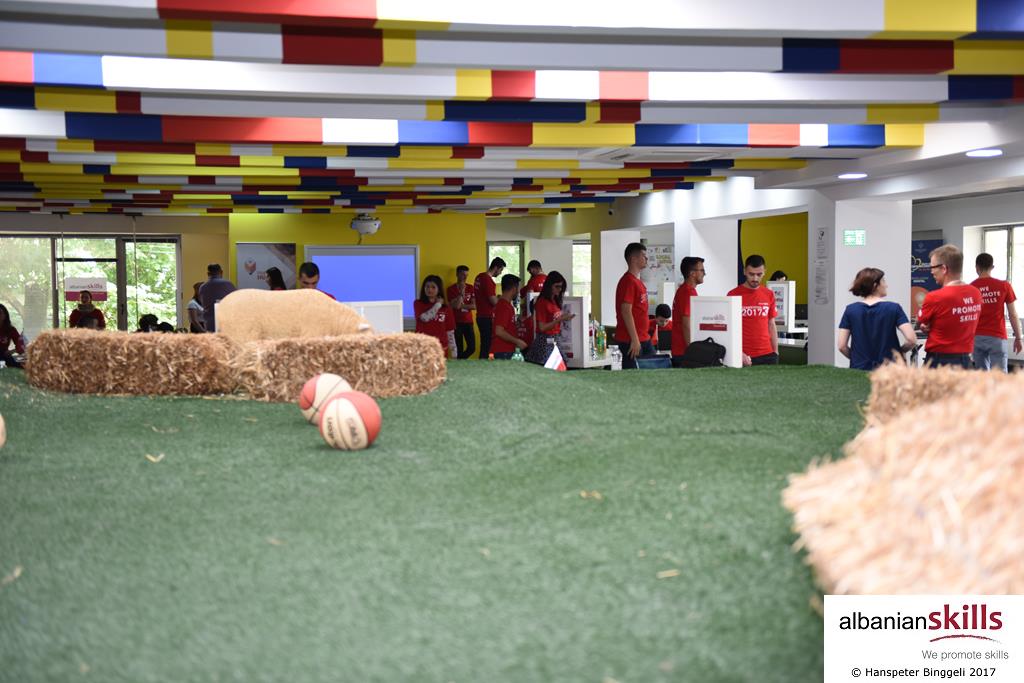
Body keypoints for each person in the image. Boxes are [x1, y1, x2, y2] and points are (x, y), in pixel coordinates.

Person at [837, 268, 917, 370]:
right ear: (875, 285)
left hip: (859, 369)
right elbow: (911, 339)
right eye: (883, 281)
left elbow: (842, 346)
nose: (886, 285)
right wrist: (899, 353)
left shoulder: (850, 310)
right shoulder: (894, 308)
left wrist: (856, 359)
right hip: (890, 369)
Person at [918, 245, 982, 369]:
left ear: (943, 269)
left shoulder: (935, 297)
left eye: (932, 267)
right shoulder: (976, 293)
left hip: (940, 362)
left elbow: (922, 322)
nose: (931, 271)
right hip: (966, 361)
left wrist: (925, 326)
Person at [970, 252, 1022, 372]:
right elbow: (1013, 314)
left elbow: (968, 315)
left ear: (976, 267)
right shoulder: (1004, 286)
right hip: (997, 337)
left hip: (977, 337)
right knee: (1000, 377)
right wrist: (1018, 338)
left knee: (982, 376)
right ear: (992, 267)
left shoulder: (971, 288)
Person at [727, 255, 779, 366]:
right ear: (744, 271)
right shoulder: (733, 295)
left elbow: (771, 324)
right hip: (743, 356)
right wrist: (737, 352)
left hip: (768, 354)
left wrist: (776, 351)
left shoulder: (769, 294)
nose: (755, 278)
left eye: (759, 274)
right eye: (751, 274)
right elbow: (728, 328)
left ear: (764, 272)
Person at [614, 242, 652, 369]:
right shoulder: (628, 281)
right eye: (643, 256)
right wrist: (635, 339)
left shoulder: (637, 282)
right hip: (631, 340)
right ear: (634, 259)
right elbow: (626, 311)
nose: (646, 258)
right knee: (633, 376)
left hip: (644, 338)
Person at [671, 256, 704, 365]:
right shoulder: (688, 292)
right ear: (692, 273)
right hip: (684, 351)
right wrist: (692, 350)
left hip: (680, 350)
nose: (704, 274)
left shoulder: (683, 290)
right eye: (701, 270)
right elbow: (686, 324)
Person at [414, 275, 457, 358]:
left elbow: (450, 331)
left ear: (439, 289)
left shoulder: (446, 308)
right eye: (427, 287)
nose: (429, 289)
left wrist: (454, 350)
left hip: (441, 347)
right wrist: (438, 305)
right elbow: (425, 318)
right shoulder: (418, 303)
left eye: (433, 287)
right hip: (423, 347)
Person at [474, 257, 505, 359]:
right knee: (488, 346)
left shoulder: (479, 277)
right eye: (500, 270)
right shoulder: (488, 280)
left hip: (480, 316)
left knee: (485, 344)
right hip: (487, 317)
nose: (500, 273)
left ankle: (484, 363)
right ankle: (484, 365)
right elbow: (493, 301)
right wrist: (501, 300)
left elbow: (484, 296)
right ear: (496, 268)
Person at [491, 274, 527, 359]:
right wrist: (517, 341)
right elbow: (499, 331)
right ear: (514, 289)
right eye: (518, 289)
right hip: (502, 352)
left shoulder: (504, 305)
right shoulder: (504, 306)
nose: (518, 292)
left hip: (503, 351)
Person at [535, 270, 575, 341]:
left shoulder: (555, 300)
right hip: (545, 339)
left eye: (561, 287)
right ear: (549, 285)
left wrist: (564, 317)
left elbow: (553, 318)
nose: (559, 289)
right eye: (557, 286)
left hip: (555, 337)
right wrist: (560, 319)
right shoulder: (542, 302)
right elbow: (542, 327)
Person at [447, 265, 476, 359]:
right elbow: (455, 306)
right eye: (463, 274)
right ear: (457, 274)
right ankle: (460, 364)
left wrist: (461, 306)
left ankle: (459, 361)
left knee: (472, 348)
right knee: (459, 348)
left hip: (468, 322)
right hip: (456, 323)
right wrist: (461, 292)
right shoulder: (451, 289)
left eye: (466, 275)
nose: (465, 277)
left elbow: (474, 306)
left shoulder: (471, 287)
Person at [198, 263, 236, 333]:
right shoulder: (228, 284)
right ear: (221, 272)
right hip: (226, 323)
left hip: (209, 324)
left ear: (208, 274)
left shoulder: (202, 287)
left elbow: (202, 303)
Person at [0, 303, 25, 369]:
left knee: (24, 363)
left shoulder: (11, 329)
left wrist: (11, 351)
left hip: (5, 355)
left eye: (0, 313)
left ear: (5, 315)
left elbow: (20, 344)